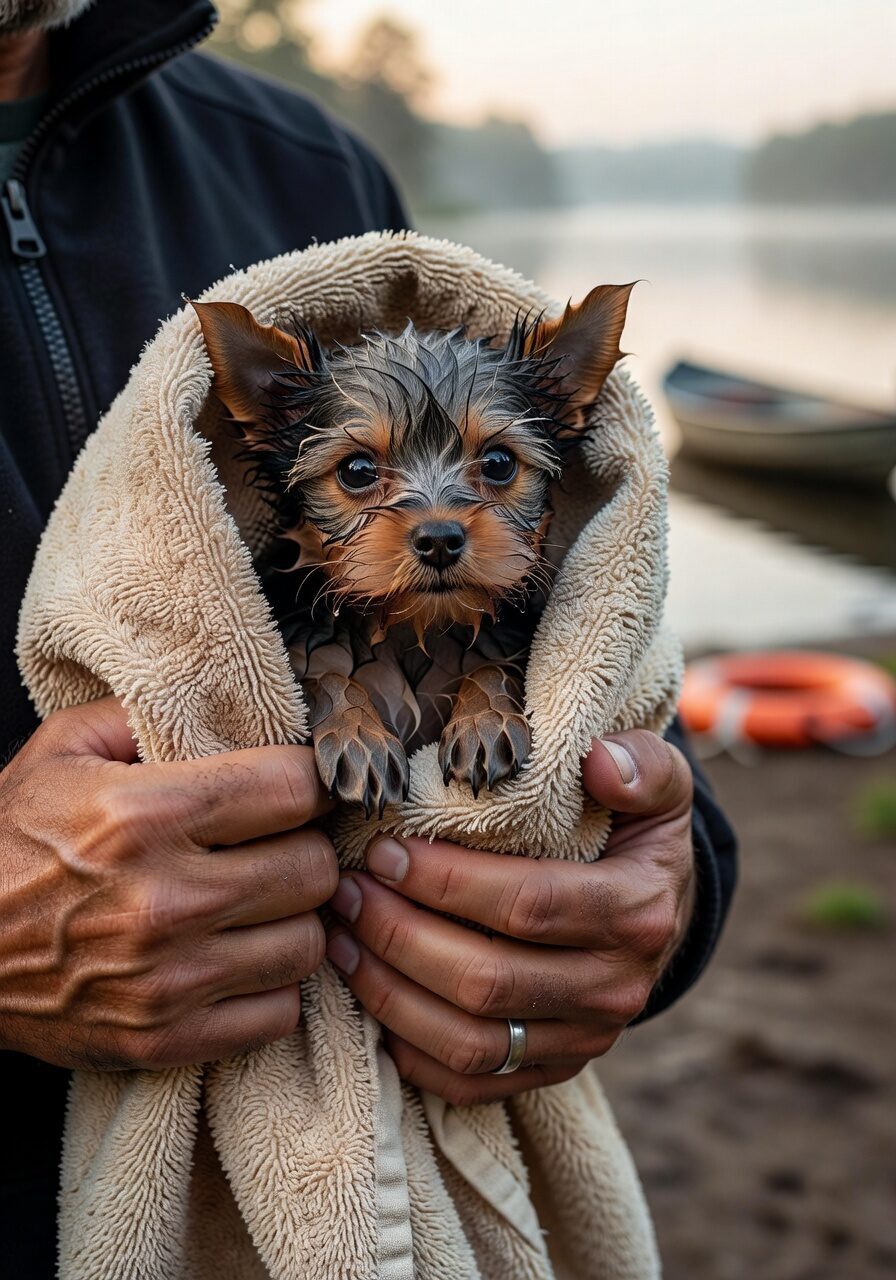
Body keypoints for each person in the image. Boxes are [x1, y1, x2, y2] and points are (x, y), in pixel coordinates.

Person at [0, 0, 737, 1273]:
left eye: (491, 469)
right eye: (361, 476)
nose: (438, 520)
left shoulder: (309, 170)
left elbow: (602, 639)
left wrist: (650, 888)